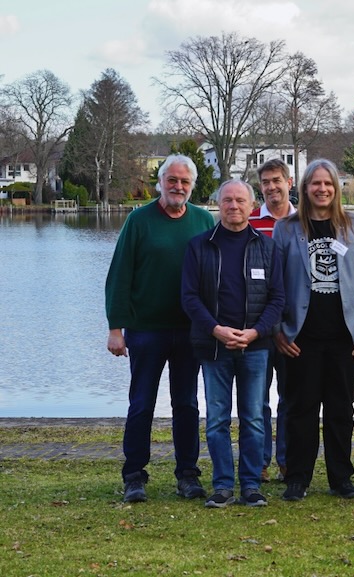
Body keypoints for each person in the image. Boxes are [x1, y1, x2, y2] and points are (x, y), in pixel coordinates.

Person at [105, 154, 215, 503]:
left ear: (192, 186)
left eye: (184, 182)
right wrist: (115, 327)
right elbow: (119, 276)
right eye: (172, 180)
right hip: (146, 329)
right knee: (141, 403)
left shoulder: (202, 220)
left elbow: (215, 275)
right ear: (160, 182)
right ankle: (134, 475)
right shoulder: (139, 221)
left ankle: (187, 475)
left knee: (187, 403)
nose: (178, 187)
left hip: (189, 331)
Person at [273, 159, 354, 501]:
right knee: (299, 409)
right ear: (304, 189)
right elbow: (275, 286)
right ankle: (298, 477)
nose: (322, 189)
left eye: (328, 184)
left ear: (336, 189)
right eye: (315, 183)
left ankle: (341, 478)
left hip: (346, 338)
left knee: (341, 410)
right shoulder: (287, 229)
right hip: (300, 339)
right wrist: (277, 329)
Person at [181, 179, 285, 507]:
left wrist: (255, 332)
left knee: (254, 418)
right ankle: (223, 485)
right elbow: (189, 297)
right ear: (219, 204)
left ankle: (252, 485)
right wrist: (216, 330)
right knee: (217, 419)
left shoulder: (267, 247)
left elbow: (277, 298)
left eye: (240, 200)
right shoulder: (200, 246)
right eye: (227, 200)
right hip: (214, 347)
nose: (233, 206)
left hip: (255, 347)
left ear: (251, 206)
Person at [250, 158, 297, 483]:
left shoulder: (305, 222)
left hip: (296, 330)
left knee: (292, 399)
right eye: (265, 182)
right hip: (260, 328)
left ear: (289, 182)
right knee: (258, 401)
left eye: (276, 180)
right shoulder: (250, 222)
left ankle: (288, 461)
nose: (271, 187)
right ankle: (261, 461)